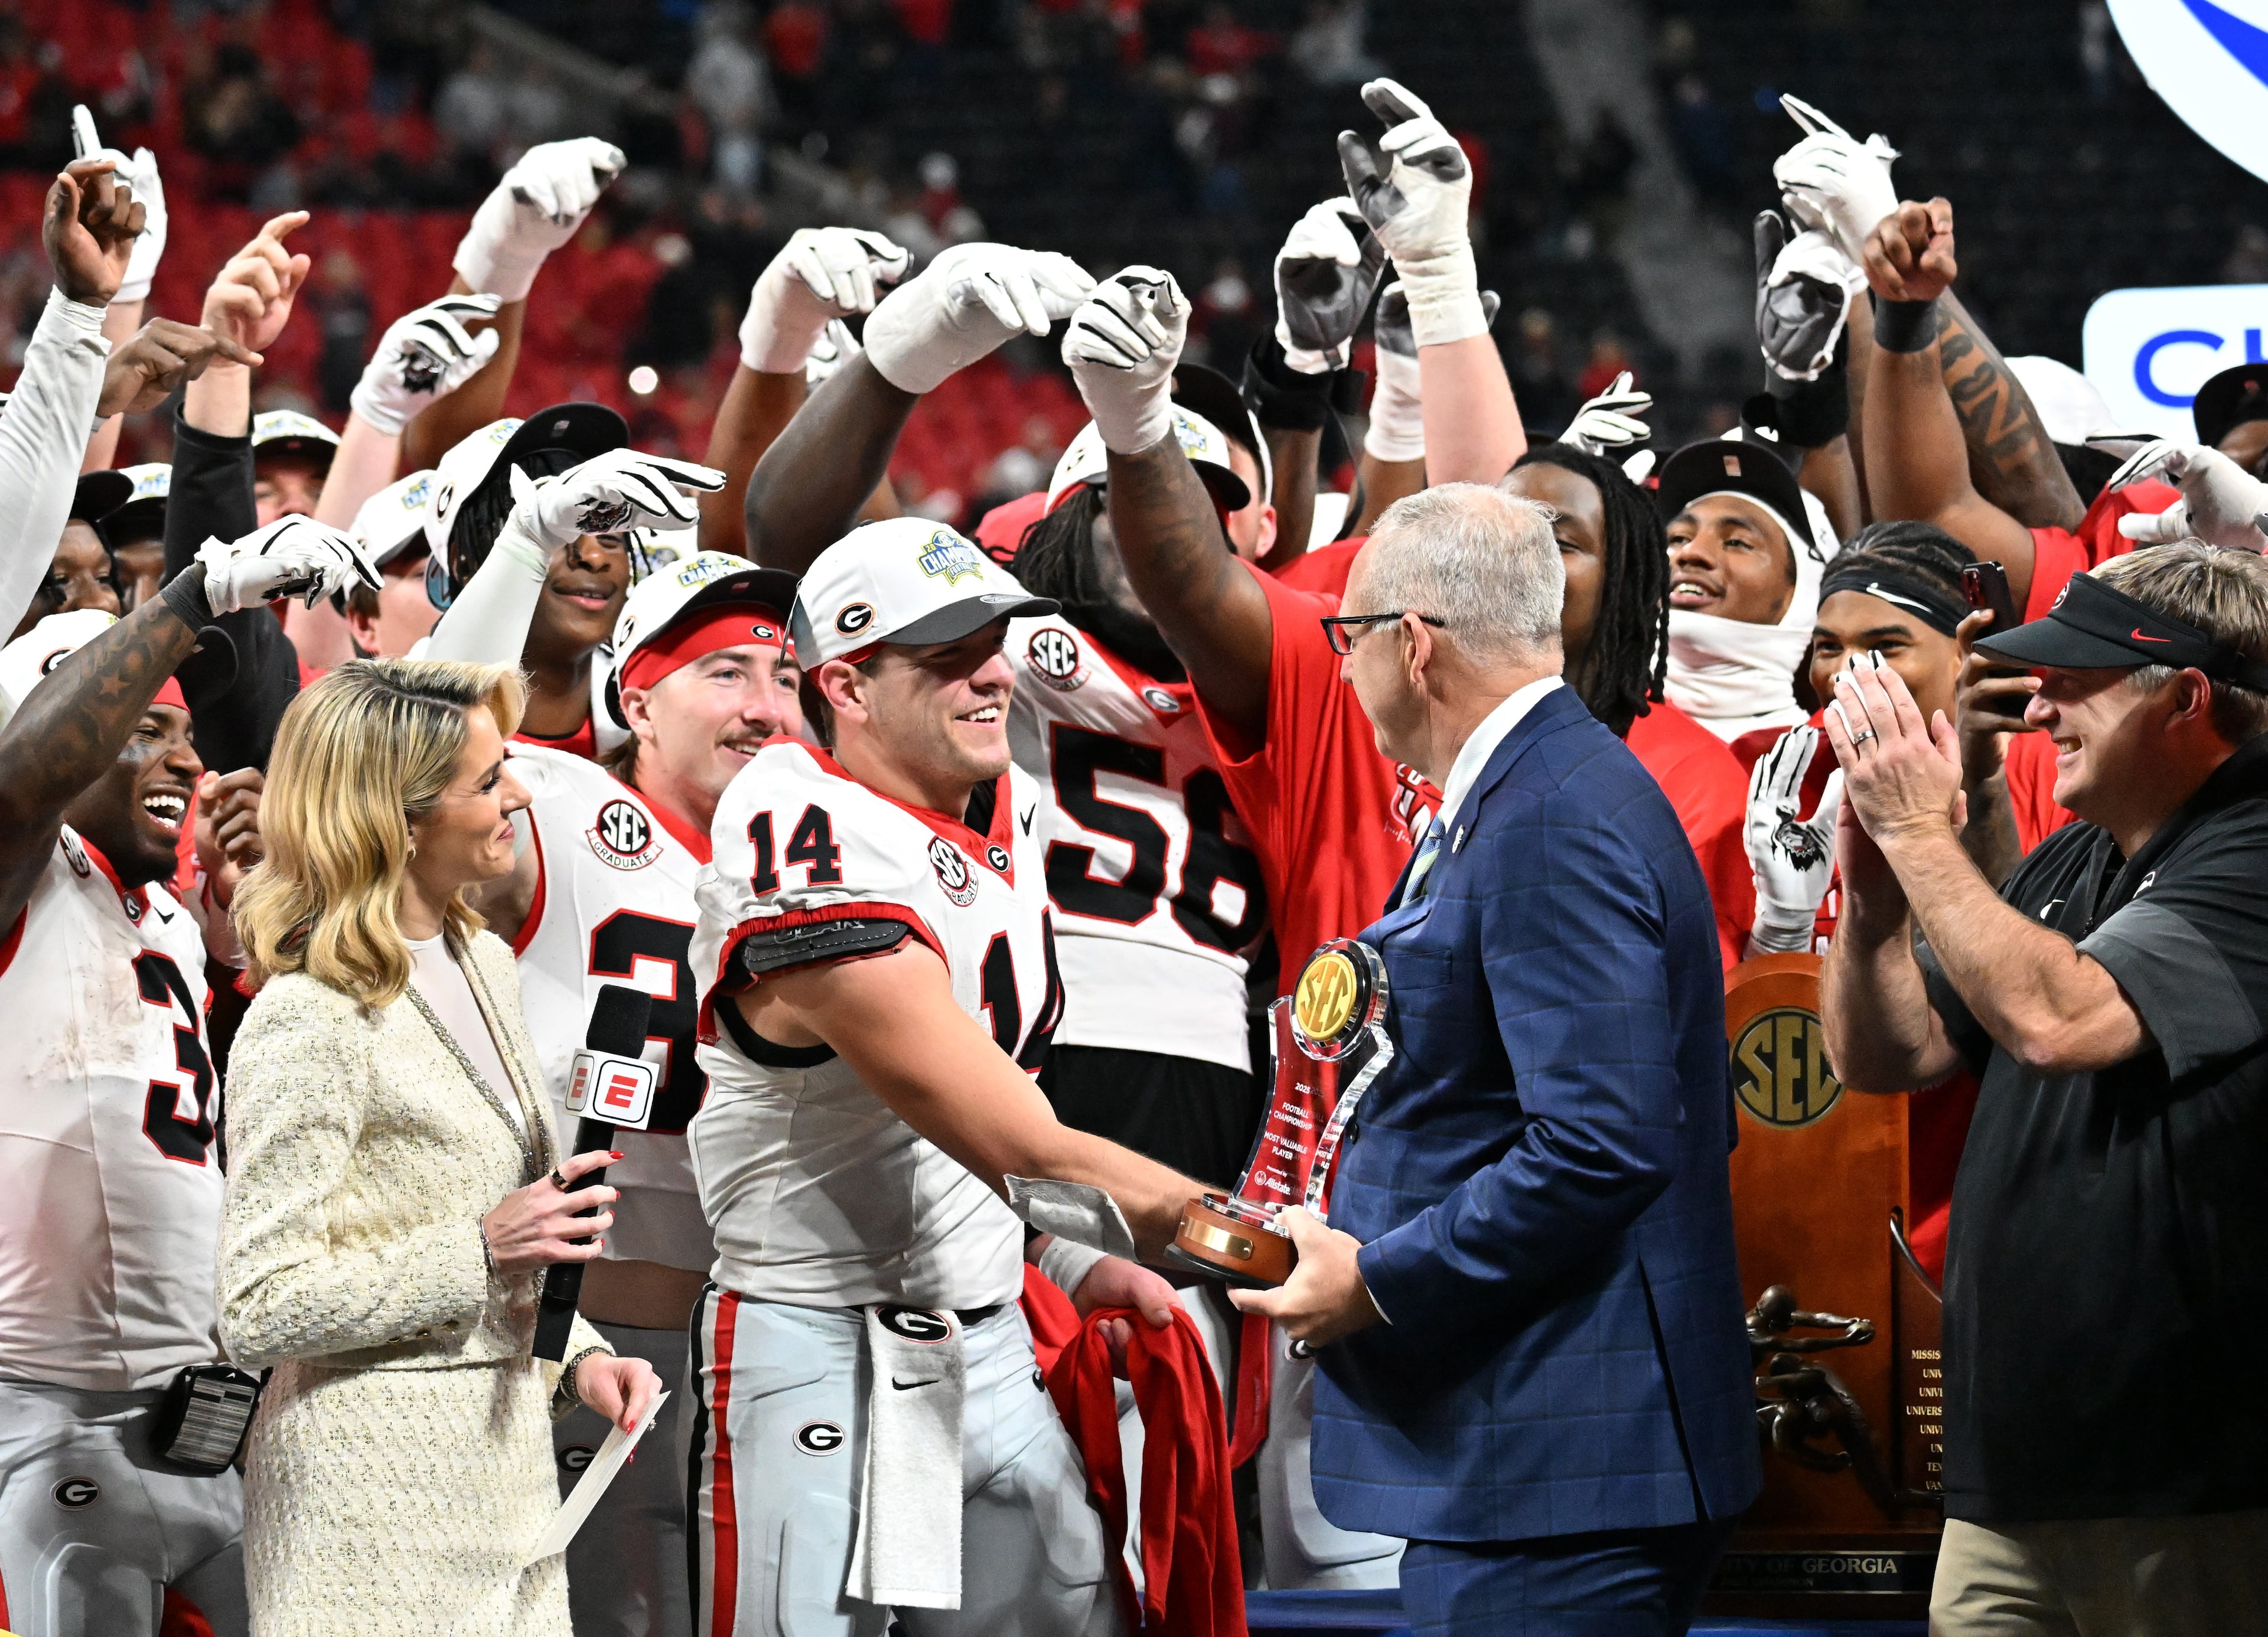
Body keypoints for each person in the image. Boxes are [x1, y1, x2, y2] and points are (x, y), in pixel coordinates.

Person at [1234, 484, 1758, 1634]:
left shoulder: (1548, 814)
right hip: (1544, 1453)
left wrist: (1377, 1279)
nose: (1341, 669)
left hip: (1557, 1469)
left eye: (1348, 638)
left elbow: (1601, 1144)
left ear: (1412, 646)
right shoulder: (1536, 792)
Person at [687, 518, 1212, 1637]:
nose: (988, 671)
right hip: (819, 1342)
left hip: (990, 1335)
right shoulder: (801, 826)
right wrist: (1248, 1240)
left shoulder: (1003, 796)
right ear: (846, 685)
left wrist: (1062, 1250)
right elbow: (1014, 1137)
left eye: (993, 636)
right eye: (941, 654)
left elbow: (986, 1089)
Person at [1818, 543, 2268, 1633]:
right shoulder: (2079, 855)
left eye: (2076, 675)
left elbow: (2061, 1019)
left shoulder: (2253, 843)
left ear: (2188, 698)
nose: (2043, 704)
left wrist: (1926, 831)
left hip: (2191, 1482)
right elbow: (1891, 1055)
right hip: (2011, 1471)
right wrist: (1875, 899)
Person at [219, 658, 661, 1636]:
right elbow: (258, 1307)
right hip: (365, 1495)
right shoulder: (309, 1016)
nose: (521, 791)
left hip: (508, 1478)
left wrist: (580, 1355)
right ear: (400, 817)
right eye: (488, 779)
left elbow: (490, 1236)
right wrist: (481, 1249)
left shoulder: (484, 958)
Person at [0, 517, 375, 1637]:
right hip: (42, 1411)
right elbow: (22, 791)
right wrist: (187, 601)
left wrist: (240, 954)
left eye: (188, 730)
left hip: (204, 1413)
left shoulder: (160, 908)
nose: (189, 757)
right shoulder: (24, 870)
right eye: (145, 728)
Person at [469, 549, 804, 1637]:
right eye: (726, 673)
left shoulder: (830, 850)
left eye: (788, 677)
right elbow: (398, 761)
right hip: (592, 1335)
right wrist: (523, 547)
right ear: (635, 696)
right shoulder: (557, 809)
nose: (766, 709)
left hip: (779, 1337)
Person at [1503, 441, 1754, 970]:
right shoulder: (1407, 727)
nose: (1515, 558)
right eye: (1498, 533)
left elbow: (1692, 1003)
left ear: (1622, 578)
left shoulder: (1693, 777)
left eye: (1559, 540)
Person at [1658, 426, 1833, 751]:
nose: (1690, 553)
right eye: (1678, 537)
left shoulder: (1837, 765)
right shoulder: (1594, 726)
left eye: (1737, 542)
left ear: (1803, 593)